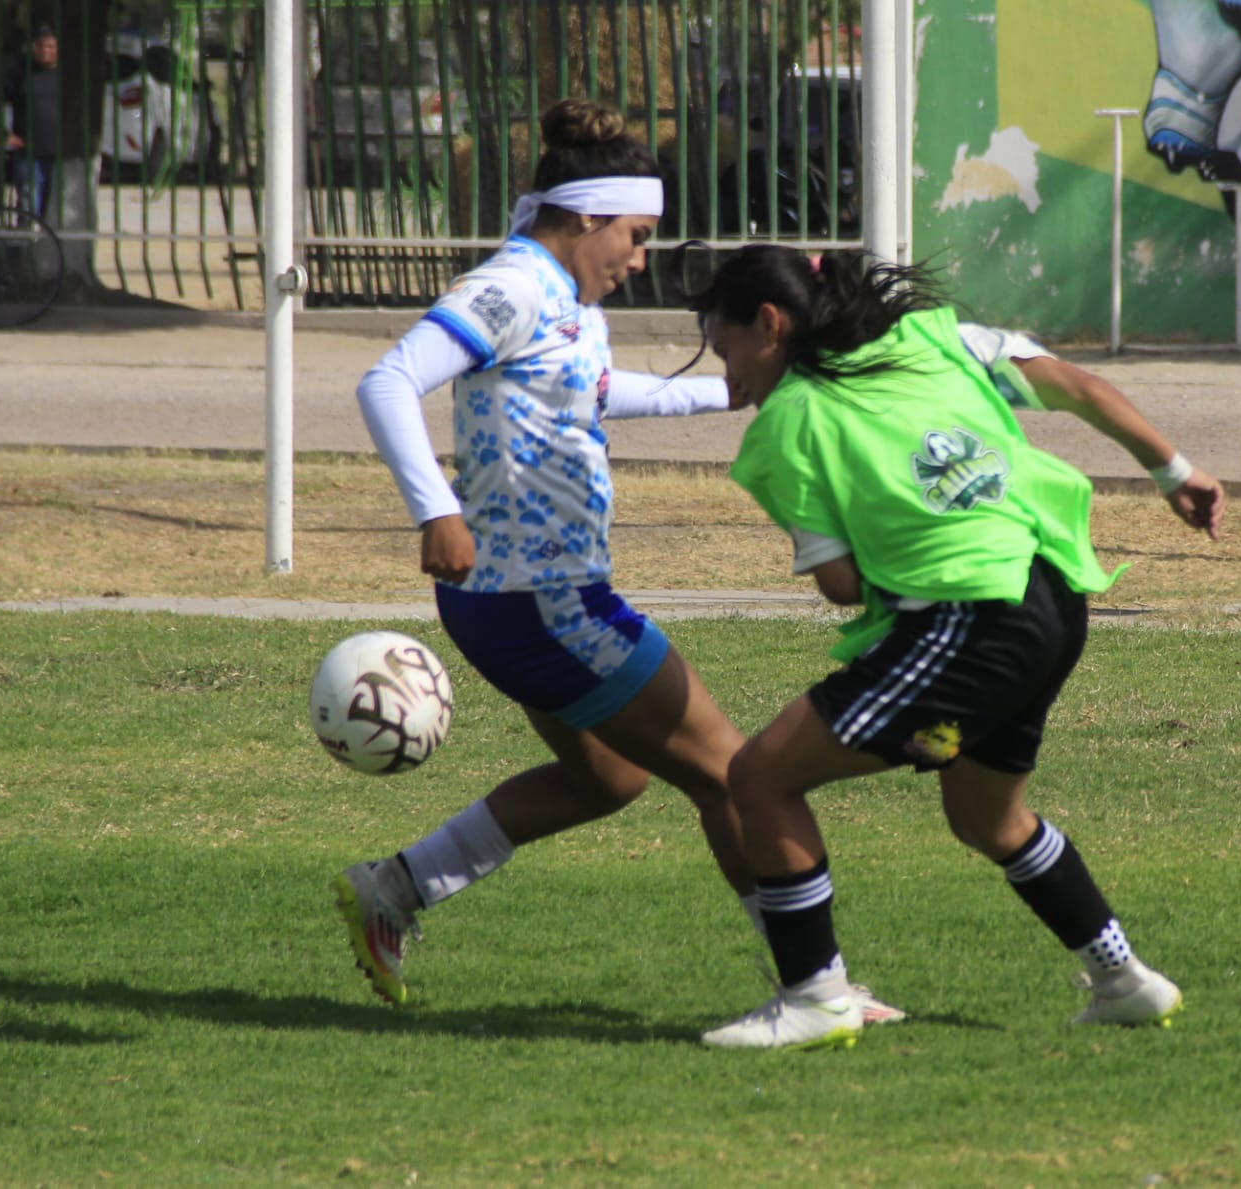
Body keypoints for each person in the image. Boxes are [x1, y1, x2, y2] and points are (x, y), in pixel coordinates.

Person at [331, 99, 902, 1025]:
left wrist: (727, 392)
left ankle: (395, 887)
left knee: (607, 778)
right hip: (543, 600)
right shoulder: (515, 285)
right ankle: (816, 984)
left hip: (518, 601)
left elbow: (593, 394)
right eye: (635, 236)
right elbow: (389, 378)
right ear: (587, 215)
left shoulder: (570, 302)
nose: (639, 259)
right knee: (734, 772)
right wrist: (435, 509)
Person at [687, 246, 1226, 1050]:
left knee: (758, 777)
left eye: (724, 349)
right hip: (1052, 596)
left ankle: (815, 997)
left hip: (971, 622)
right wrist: (1174, 471)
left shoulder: (786, 424)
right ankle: (1125, 982)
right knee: (985, 817)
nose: (727, 378)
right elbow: (1078, 386)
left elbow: (840, 583)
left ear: (770, 325)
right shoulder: (938, 338)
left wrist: (890, 525)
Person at [0, 24, 60, 216]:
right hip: (28, 152)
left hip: (58, 153)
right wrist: (4, 133)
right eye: (41, 46)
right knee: (29, 205)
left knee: (52, 210)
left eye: (51, 46)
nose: (45, 51)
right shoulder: (21, 74)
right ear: (34, 48)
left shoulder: (65, 77)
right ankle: (26, 236)